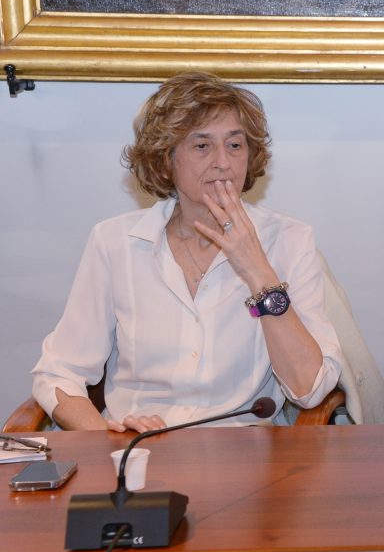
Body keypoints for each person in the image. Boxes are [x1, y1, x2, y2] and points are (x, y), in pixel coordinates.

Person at [31, 71, 342, 431]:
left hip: (244, 454)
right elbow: (58, 372)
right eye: (202, 146)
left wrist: (258, 270)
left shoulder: (289, 240)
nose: (223, 162)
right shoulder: (114, 242)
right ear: (166, 161)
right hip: (138, 449)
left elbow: (310, 390)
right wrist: (106, 437)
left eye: (235, 145)